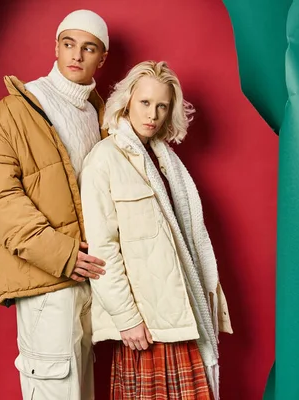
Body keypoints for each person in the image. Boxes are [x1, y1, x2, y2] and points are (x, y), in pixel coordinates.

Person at [0, 9, 110, 400]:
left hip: (88, 278)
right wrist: (61, 253)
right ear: (56, 47)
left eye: (88, 48)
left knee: (80, 392)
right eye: (68, 44)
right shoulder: (5, 116)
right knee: (53, 390)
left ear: (102, 58)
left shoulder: (101, 117)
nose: (76, 55)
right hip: (47, 279)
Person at [80, 60, 233, 400]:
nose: (153, 114)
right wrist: (126, 318)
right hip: (145, 326)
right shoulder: (103, 160)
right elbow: (102, 251)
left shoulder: (166, 162)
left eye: (162, 106)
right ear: (127, 100)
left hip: (181, 315)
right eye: (145, 103)